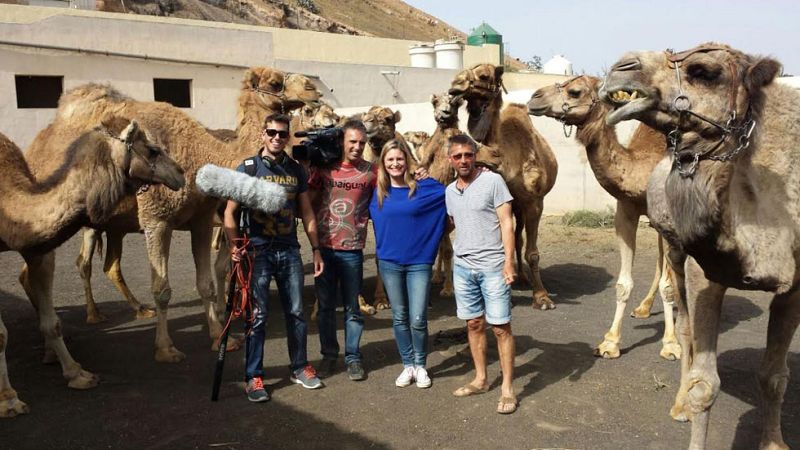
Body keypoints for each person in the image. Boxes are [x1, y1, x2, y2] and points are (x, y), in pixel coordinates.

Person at [223, 113, 324, 403]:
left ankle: (300, 366)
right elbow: (229, 212)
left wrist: (315, 248)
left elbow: (306, 212)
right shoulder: (249, 168)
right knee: (257, 316)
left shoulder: (296, 170)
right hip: (257, 251)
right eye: (272, 132)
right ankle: (253, 375)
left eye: (282, 134)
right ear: (262, 134)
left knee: (296, 312)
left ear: (288, 136)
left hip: (289, 249)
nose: (277, 138)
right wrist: (234, 245)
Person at [444, 134, 518, 414]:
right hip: (463, 268)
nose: (464, 160)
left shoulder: (493, 182)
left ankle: (508, 388)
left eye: (468, 155)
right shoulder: (450, 191)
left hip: (492, 266)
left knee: (500, 327)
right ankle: (481, 378)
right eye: (458, 156)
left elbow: (506, 222)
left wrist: (509, 262)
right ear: (450, 160)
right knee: (474, 324)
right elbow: (454, 222)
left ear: (475, 156)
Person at [369, 139, 446, 389]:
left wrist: (426, 176)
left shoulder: (422, 188)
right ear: (383, 163)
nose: (395, 163)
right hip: (389, 263)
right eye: (390, 159)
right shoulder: (378, 192)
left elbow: (448, 192)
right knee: (399, 316)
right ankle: (408, 365)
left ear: (407, 161)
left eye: (399, 159)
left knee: (418, 317)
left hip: (419, 263)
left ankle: (421, 365)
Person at [308, 119, 377, 381]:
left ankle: (353, 357)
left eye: (362, 143)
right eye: (353, 142)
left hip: (353, 251)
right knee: (325, 308)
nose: (357, 147)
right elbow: (307, 205)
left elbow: (396, 187)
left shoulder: (372, 173)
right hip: (324, 249)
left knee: (352, 308)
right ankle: (328, 355)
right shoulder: (324, 171)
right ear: (342, 142)